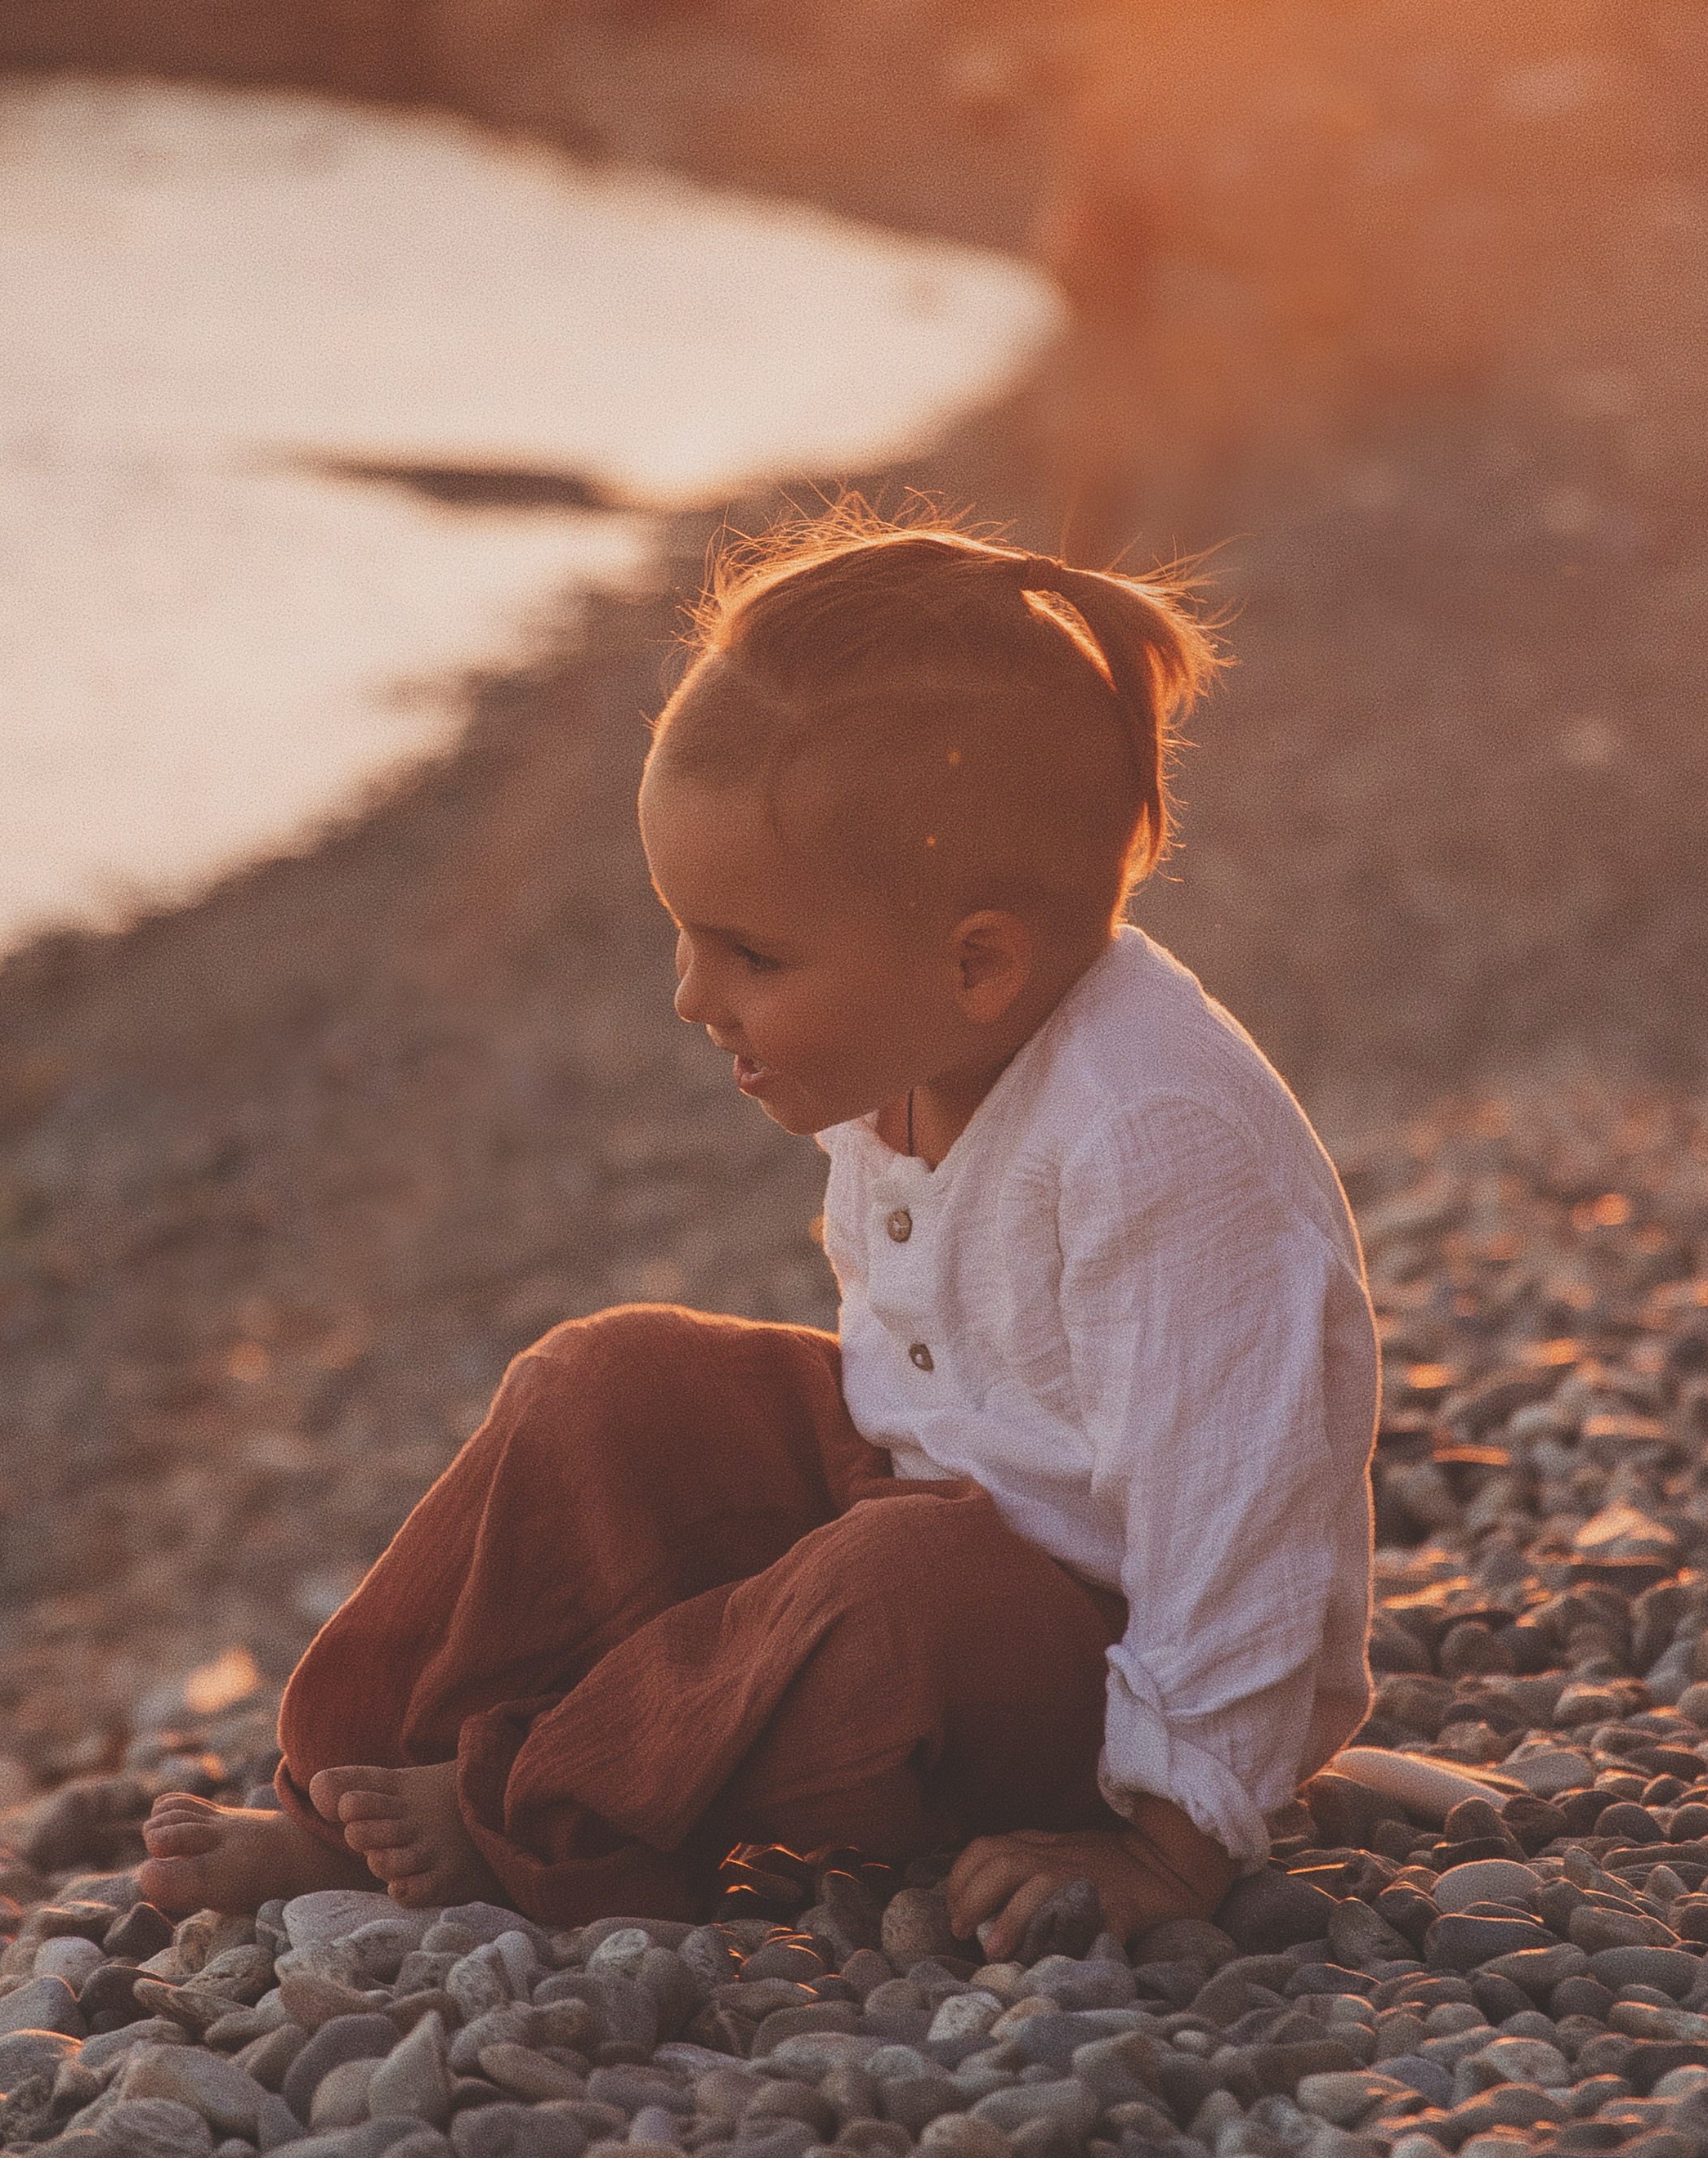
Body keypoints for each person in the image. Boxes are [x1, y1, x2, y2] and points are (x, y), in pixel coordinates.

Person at [141, 513, 1377, 1960]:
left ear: (980, 960)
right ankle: (347, 1787)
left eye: (753, 957)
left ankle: (528, 1811)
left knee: (895, 1592)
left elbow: (1242, 1515)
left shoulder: (1152, 1140)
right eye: (686, 935)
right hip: (918, 1504)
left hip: (1089, 1673)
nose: (689, 997)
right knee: (608, 1378)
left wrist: (1171, 1841)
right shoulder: (924, 1035)